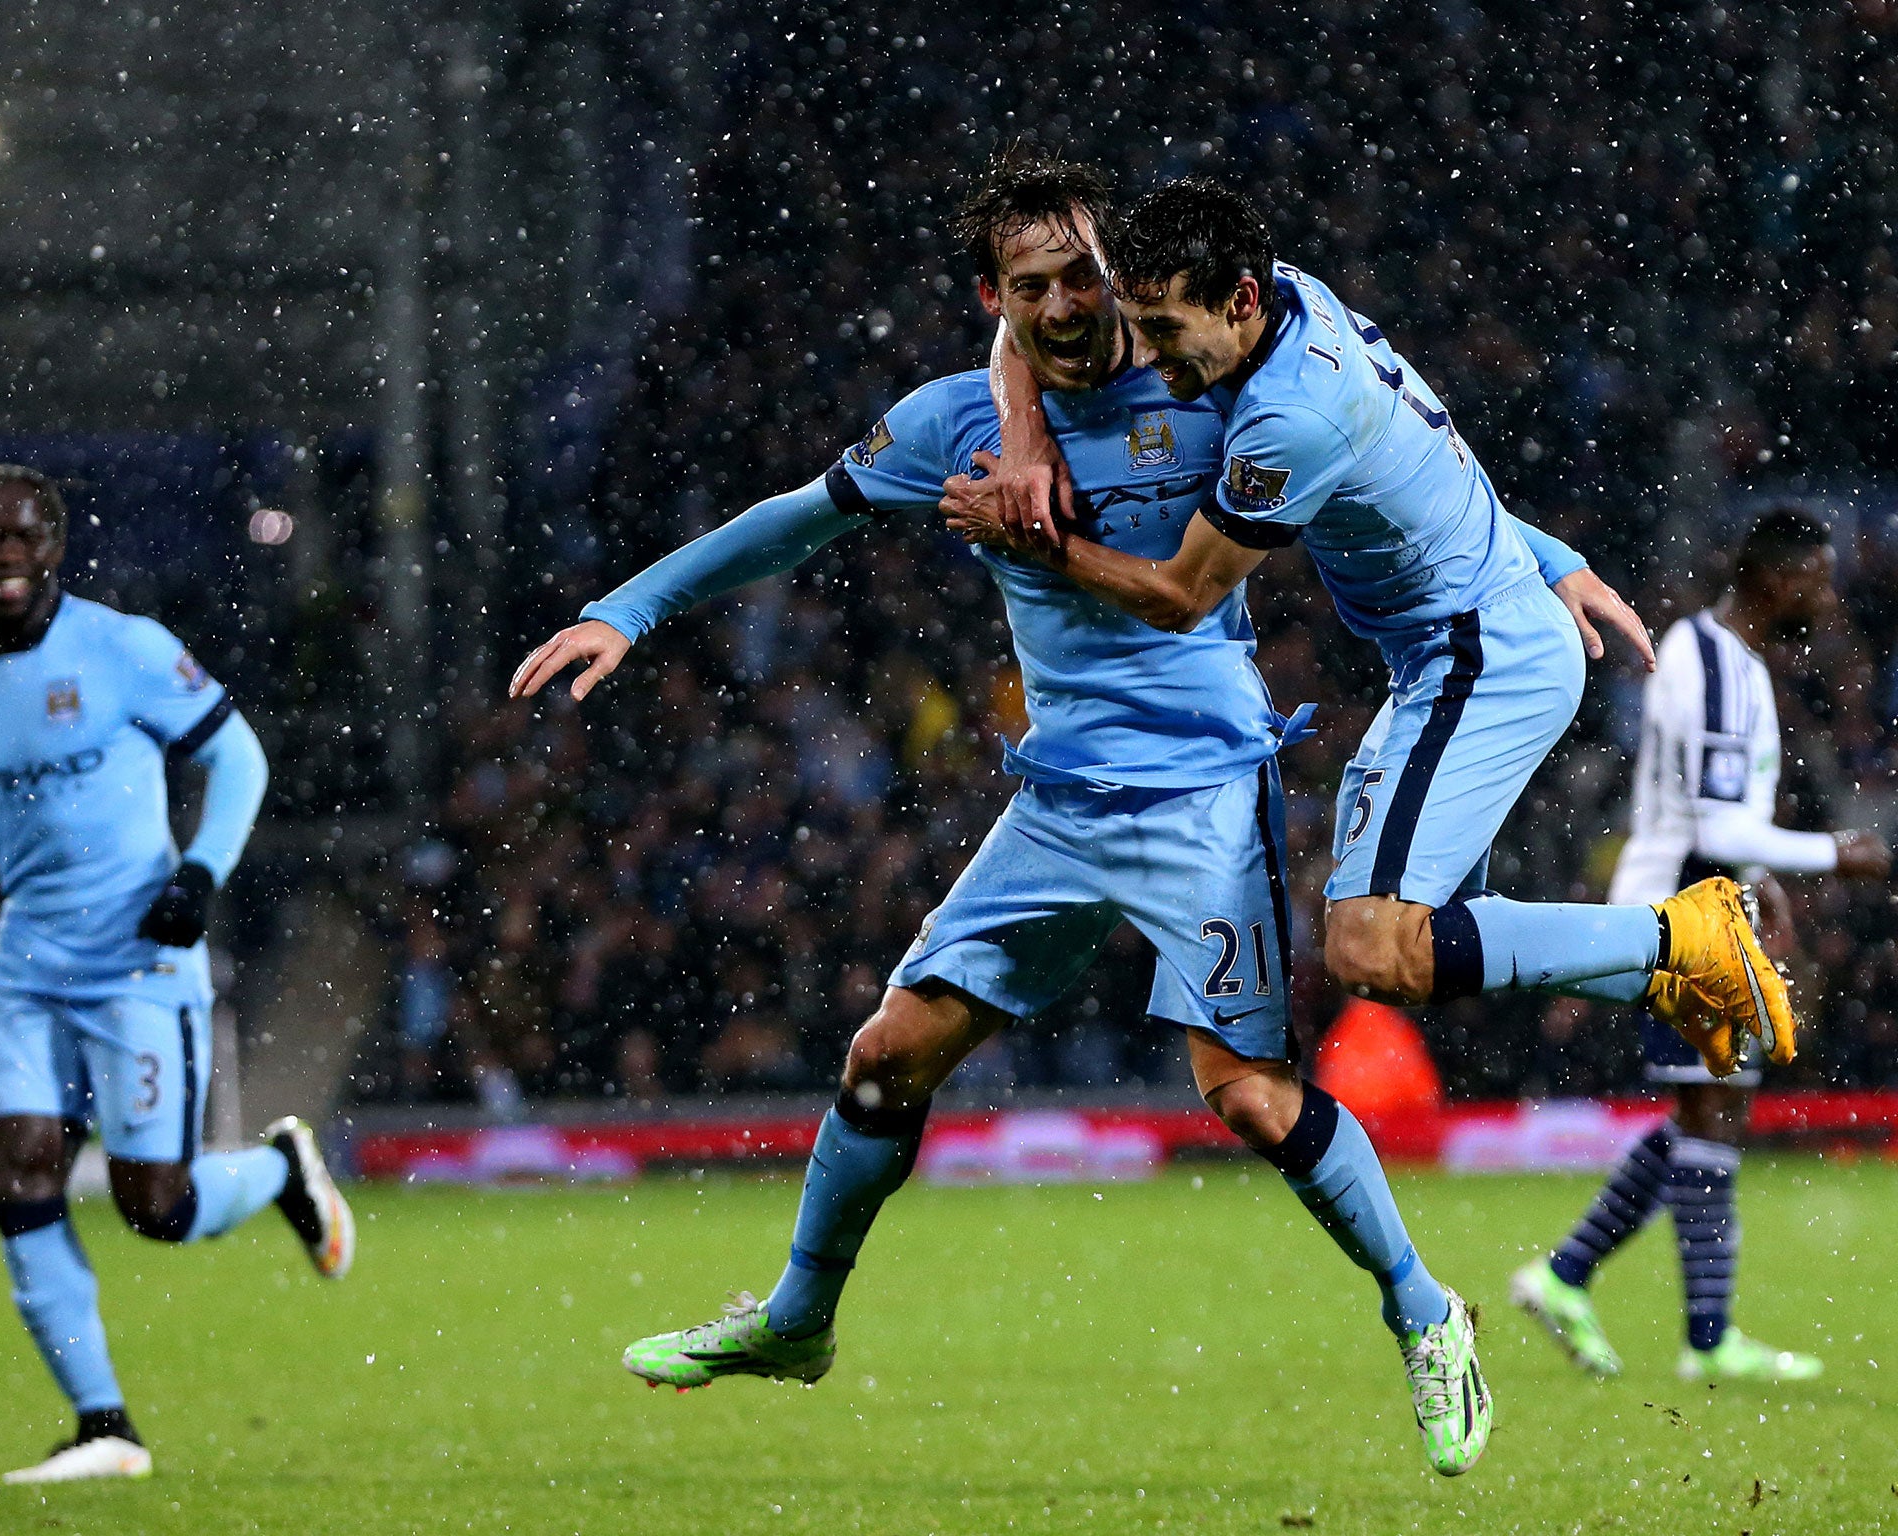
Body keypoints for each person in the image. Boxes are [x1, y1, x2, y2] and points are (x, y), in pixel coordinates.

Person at [512, 154, 1493, 1477]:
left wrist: (1547, 565)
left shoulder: (1210, 388)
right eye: (1030, 286)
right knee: (883, 1057)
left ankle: (1427, 1313)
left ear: (1121, 273)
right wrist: (626, 609)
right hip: (1058, 800)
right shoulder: (951, 427)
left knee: (1253, 1101)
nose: (1067, 303)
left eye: (1084, 273)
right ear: (996, 296)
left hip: (1206, 789)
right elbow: (797, 523)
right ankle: (797, 1321)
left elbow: (1399, 460)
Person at [955, 175, 1794, 1076]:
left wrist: (1038, 546)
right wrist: (1026, 431)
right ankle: (1665, 974)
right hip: (1458, 641)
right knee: (1414, 948)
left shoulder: (1291, 419)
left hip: (1480, 655)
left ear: (1239, 301)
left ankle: (1683, 935)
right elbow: (1025, 323)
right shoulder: (1270, 286)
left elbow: (1180, 598)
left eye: (1164, 334)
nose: (1151, 360)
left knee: (1368, 946)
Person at [0, 465, 355, 1484]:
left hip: (140, 962)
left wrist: (199, 874)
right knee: (22, 1169)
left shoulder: (123, 649)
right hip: (25, 965)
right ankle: (104, 1423)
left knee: (158, 1206)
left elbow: (238, 759)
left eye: (21, 537)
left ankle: (282, 1170)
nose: (2, 555)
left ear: (53, 547)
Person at [1511, 508, 1890, 1381]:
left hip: (1702, 908)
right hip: (1683, 922)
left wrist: (1764, 884)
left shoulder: (1726, 658)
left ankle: (1572, 1278)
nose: (1826, 598)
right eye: (1815, 578)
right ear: (1773, 576)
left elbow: (1718, 820)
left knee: (1705, 1113)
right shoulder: (1715, 665)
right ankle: (1703, 1339)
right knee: (1713, 1114)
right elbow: (1718, 821)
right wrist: (1840, 854)